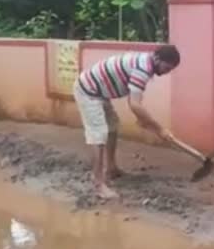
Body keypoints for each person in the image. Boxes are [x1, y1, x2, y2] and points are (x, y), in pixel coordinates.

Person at [73, 44, 181, 199]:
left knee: (112, 126)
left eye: (170, 70)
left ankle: (111, 168)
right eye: (167, 68)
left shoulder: (147, 63)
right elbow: (135, 105)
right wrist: (160, 129)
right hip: (88, 91)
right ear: (157, 59)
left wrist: (142, 119)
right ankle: (99, 184)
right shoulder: (143, 69)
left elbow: (135, 100)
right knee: (99, 134)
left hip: (100, 92)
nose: (166, 73)